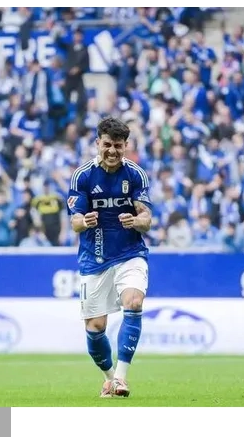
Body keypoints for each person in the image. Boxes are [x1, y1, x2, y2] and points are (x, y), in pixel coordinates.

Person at [67, 116, 153, 398]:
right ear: (97, 143)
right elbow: (74, 221)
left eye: (118, 145)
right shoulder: (82, 176)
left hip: (130, 253)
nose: (112, 151)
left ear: (126, 146)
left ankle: (121, 378)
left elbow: (147, 218)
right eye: (107, 145)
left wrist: (136, 221)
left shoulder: (136, 175)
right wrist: (85, 221)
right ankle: (108, 378)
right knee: (95, 328)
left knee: (134, 302)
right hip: (95, 258)